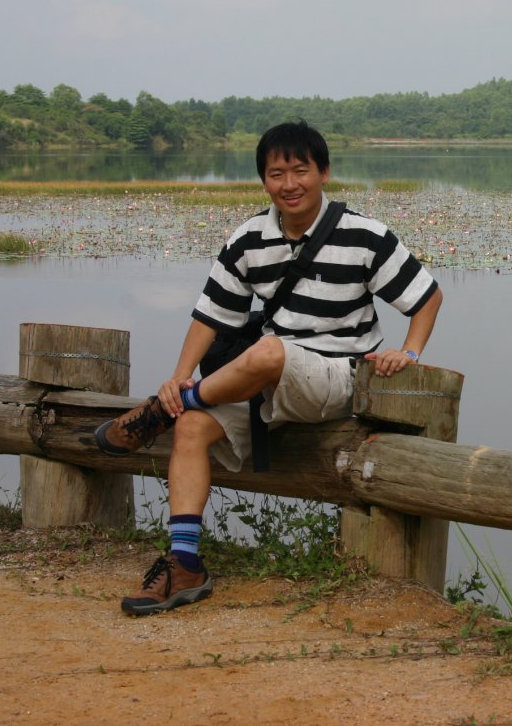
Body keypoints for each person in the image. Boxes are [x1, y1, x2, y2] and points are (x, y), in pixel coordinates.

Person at [93, 120, 442, 616]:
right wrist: (178, 376)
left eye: (301, 170)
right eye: (277, 173)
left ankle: (162, 413)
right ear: (264, 180)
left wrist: (408, 353)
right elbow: (210, 316)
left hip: (337, 376)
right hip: (262, 380)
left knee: (267, 352)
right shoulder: (249, 238)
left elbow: (426, 297)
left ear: (323, 172)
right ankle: (185, 562)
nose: (289, 183)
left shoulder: (365, 235)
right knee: (193, 427)